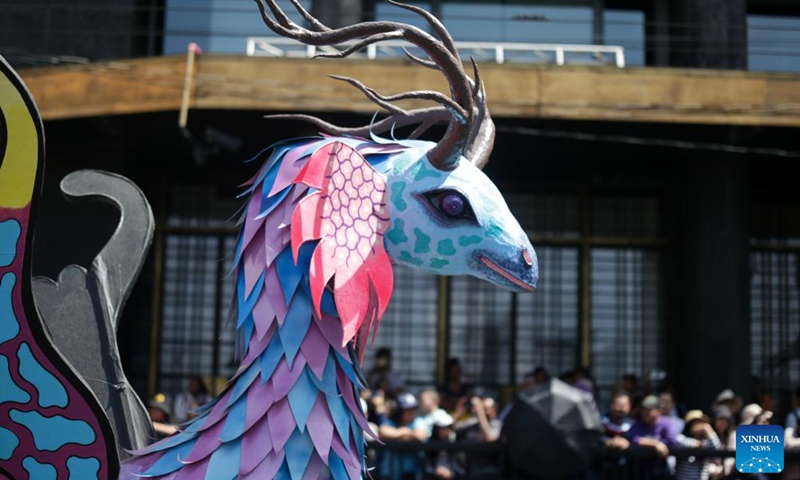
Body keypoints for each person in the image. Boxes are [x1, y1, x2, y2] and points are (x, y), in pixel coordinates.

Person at [626, 395, 680, 480]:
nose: (645, 413)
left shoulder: (666, 423)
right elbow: (633, 439)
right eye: (643, 409)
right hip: (640, 471)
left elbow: (672, 441)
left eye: (649, 410)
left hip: (660, 470)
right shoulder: (638, 423)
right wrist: (655, 444)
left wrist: (646, 442)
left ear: (658, 411)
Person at [378, 392, 428, 479]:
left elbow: (420, 435)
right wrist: (405, 432)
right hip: (390, 472)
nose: (411, 412)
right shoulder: (391, 422)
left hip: (411, 472)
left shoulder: (418, 421)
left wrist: (396, 435)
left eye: (413, 409)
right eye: (408, 409)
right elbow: (383, 432)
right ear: (399, 411)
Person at [674, 410, 722, 480]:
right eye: (696, 423)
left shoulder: (706, 441)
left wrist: (709, 431)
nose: (700, 426)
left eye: (702, 423)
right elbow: (676, 441)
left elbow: (717, 449)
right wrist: (696, 444)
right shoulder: (683, 438)